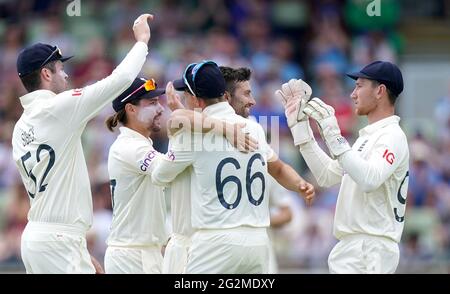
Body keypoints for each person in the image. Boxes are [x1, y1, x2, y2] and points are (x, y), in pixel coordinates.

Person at [11, 13, 154, 274]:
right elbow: (119, 81)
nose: (65, 76)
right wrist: (142, 41)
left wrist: (79, 250)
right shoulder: (58, 107)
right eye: (60, 69)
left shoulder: (21, 125)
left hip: (40, 238)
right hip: (58, 241)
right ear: (45, 73)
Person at [152, 61, 314, 274]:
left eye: (185, 95)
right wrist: (300, 184)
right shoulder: (255, 128)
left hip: (215, 240)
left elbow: (159, 176)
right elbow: (279, 169)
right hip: (258, 241)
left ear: (196, 100)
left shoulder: (192, 134)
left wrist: (178, 134)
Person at [279, 61, 410, 274]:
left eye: (359, 86)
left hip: (371, 248)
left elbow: (369, 180)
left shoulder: (393, 135)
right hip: (354, 248)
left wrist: (333, 134)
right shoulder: (368, 136)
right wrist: (301, 130)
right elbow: (327, 175)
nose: (353, 94)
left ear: (380, 91)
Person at [103, 77, 167, 274]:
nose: (161, 109)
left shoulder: (140, 144)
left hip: (141, 253)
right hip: (131, 256)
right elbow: (167, 169)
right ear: (131, 109)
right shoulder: (129, 146)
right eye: (152, 103)